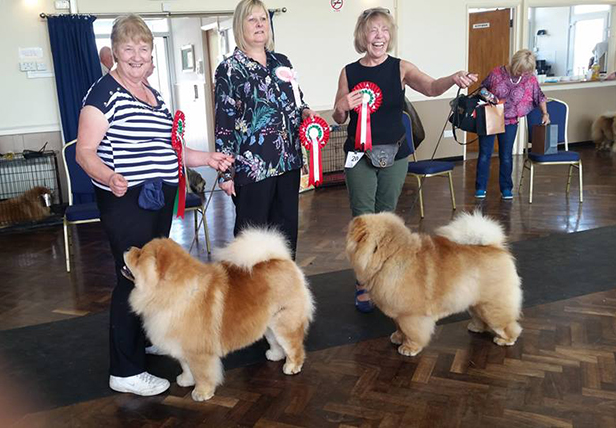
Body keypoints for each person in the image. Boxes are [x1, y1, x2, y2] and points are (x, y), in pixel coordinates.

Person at [76, 14, 233, 397]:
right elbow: (84, 153)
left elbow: (173, 149)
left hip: (158, 197)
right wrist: (109, 176)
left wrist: (208, 159)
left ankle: (141, 342)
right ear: (115, 52)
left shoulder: (154, 94)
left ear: (151, 57)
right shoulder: (102, 96)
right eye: (128, 48)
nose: (136, 55)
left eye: (143, 49)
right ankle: (125, 371)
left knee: (152, 278)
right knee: (131, 277)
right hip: (126, 199)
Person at [331, 7, 476, 313]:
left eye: (384, 30)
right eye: (372, 30)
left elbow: (431, 86)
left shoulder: (400, 68)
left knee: (386, 219)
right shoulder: (349, 71)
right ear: (362, 36)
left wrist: (453, 78)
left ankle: (383, 277)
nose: (379, 36)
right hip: (358, 156)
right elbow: (339, 116)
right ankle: (363, 279)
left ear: (390, 35)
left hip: (394, 154)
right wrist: (343, 104)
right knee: (363, 221)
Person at [214, 0, 317, 259]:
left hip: (288, 162)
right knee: (252, 243)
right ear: (240, 25)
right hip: (252, 168)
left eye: (263, 19)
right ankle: (250, 297)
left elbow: (296, 102)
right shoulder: (228, 70)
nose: (260, 24)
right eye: (252, 20)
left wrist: (306, 113)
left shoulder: (281, 62)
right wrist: (226, 175)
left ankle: (282, 293)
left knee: (285, 238)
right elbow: (224, 124)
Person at [476, 49, 549, 200]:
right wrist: (492, 98)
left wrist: (545, 113)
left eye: (526, 71)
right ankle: (480, 187)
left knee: (506, 155)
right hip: (491, 116)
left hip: (511, 121)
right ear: (514, 64)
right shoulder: (496, 73)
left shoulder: (530, 78)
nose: (522, 74)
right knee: (485, 154)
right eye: (520, 70)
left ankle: (506, 188)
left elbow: (539, 96)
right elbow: (481, 89)